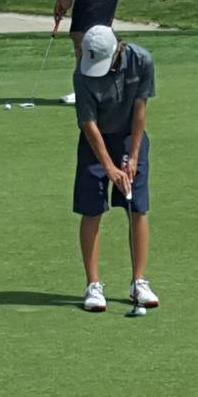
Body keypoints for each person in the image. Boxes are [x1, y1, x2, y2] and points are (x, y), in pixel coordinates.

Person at [72, 25, 159, 312]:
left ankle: (139, 281)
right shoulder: (82, 73)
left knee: (137, 207)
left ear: (115, 51)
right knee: (91, 208)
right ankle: (93, 285)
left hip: (129, 137)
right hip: (94, 142)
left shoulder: (141, 60)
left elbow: (140, 109)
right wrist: (109, 167)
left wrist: (132, 156)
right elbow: (88, 124)